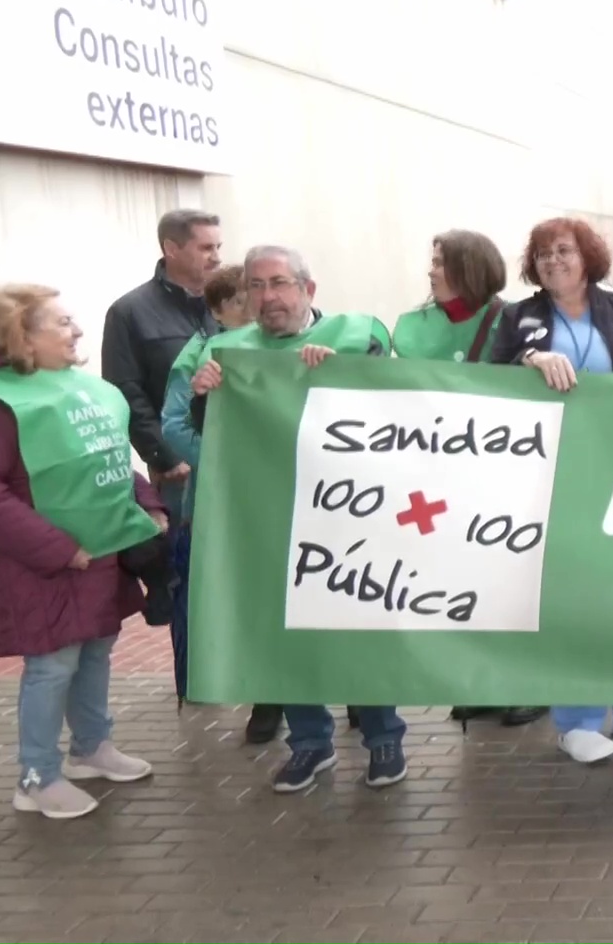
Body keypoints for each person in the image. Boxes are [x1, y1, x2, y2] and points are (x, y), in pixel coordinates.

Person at [189, 245, 409, 794]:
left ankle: (384, 736)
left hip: (350, 515)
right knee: (284, 631)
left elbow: (400, 409)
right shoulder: (227, 350)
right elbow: (210, 433)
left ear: (308, 291)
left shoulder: (354, 336)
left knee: (359, 625)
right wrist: (204, 395)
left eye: (279, 283)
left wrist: (348, 376)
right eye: (256, 287)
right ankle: (310, 744)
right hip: (270, 518)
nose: (268, 297)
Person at [0, 285, 172, 820]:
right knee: (52, 665)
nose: (76, 330)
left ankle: (91, 749)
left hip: (99, 554)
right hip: (39, 563)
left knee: (97, 650)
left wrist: (146, 504)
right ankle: (36, 777)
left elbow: (106, 456)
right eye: (61, 322)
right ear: (23, 339)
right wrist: (58, 549)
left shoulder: (80, 388)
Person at [490, 217, 613, 764]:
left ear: (586, 256)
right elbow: (487, 379)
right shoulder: (519, 318)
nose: (552, 261)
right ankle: (576, 719)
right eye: (542, 254)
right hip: (552, 479)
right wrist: (529, 360)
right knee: (571, 596)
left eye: (563, 250)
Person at [391, 229, 548, 731]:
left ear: (470, 268)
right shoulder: (409, 327)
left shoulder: (517, 319)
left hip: (504, 475)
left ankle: (525, 683)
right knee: (460, 580)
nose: (431, 271)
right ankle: (478, 683)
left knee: (510, 581)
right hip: (439, 477)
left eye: (440, 262)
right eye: (432, 261)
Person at [157, 264, 250, 711]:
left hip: (272, 499)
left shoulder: (281, 344)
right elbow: (174, 427)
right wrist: (224, 463)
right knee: (206, 595)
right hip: (214, 501)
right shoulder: (199, 355)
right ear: (218, 311)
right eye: (240, 301)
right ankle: (202, 682)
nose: (253, 306)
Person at [101, 209, 223, 507]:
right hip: (179, 472)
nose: (217, 257)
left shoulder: (231, 306)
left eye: (219, 247)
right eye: (206, 248)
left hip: (232, 459)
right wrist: (165, 457)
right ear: (171, 249)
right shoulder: (130, 312)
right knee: (187, 551)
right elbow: (125, 391)